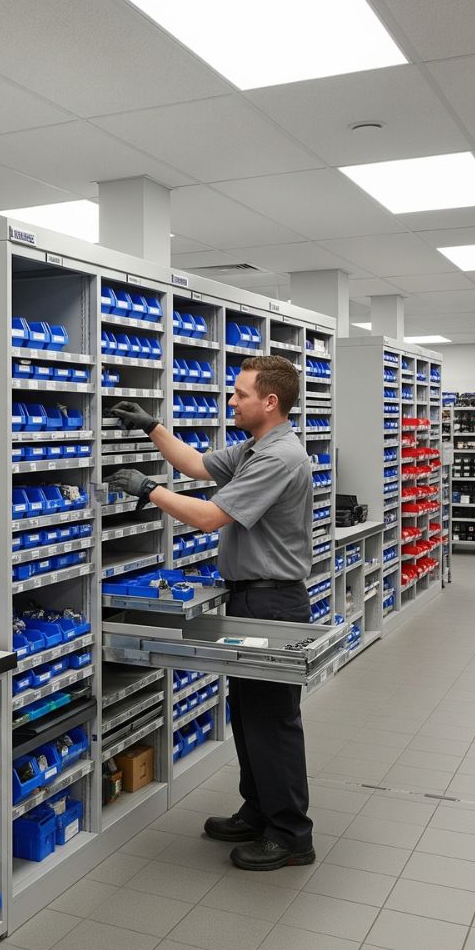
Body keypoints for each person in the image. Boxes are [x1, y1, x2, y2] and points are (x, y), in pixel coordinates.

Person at [108, 355, 315, 871]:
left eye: (241, 394)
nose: (231, 401)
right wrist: (153, 427)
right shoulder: (253, 448)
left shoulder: (279, 457)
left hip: (272, 602)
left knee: (272, 721)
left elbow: (207, 517)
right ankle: (259, 811)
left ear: (270, 402)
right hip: (250, 595)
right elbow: (197, 465)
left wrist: (149, 490)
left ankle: (291, 834)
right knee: (246, 714)